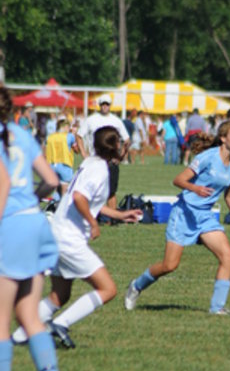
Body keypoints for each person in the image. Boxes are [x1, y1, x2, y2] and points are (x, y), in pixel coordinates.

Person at [12, 127, 142, 351]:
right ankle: (60, 324)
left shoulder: (91, 163)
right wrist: (93, 223)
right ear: (115, 147)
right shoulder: (99, 170)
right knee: (108, 289)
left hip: (57, 233)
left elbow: (88, 201)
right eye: (120, 143)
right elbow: (80, 198)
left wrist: (120, 215)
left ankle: (18, 337)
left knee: (60, 295)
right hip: (68, 239)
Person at [124, 120, 230, 315]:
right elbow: (178, 180)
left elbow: (229, 196)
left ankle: (217, 307)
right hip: (184, 213)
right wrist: (195, 188)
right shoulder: (207, 157)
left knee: (228, 257)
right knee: (170, 265)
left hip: (205, 216)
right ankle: (136, 286)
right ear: (223, 138)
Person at [0, 86, 68, 371]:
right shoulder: (21, 134)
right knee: (28, 315)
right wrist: (29, 200)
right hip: (36, 224)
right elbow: (52, 180)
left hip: (11, 228)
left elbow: (2, 185)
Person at [76, 94, 130, 210]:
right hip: (94, 160)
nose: (105, 106)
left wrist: (120, 157)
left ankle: (112, 217)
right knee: (91, 191)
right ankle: (92, 215)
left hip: (110, 162)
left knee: (111, 192)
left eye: (107, 104)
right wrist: (84, 154)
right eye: (103, 104)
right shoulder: (91, 120)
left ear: (110, 105)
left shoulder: (116, 121)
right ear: (99, 105)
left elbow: (127, 140)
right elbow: (79, 136)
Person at [45, 118, 77, 197]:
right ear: (65, 127)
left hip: (52, 164)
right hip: (64, 164)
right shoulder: (69, 136)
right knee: (65, 190)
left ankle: (55, 202)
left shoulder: (50, 136)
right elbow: (76, 150)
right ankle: (62, 204)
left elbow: (45, 149)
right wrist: (74, 134)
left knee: (56, 189)